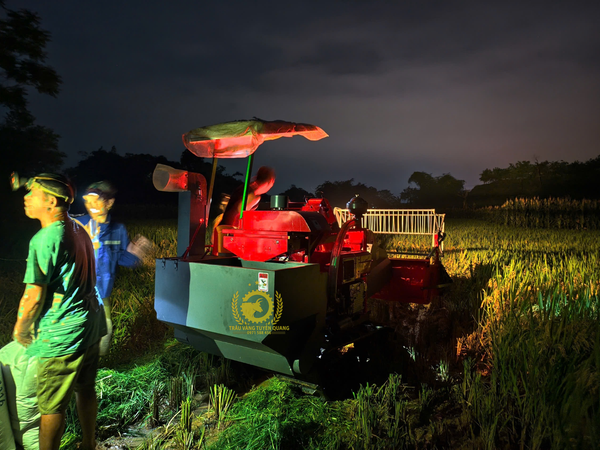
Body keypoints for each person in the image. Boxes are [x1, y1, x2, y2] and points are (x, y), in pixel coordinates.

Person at [12, 173, 106, 450]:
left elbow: (33, 295)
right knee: (85, 388)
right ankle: (89, 443)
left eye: (32, 194)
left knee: (51, 406)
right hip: (90, 324)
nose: (26, 198)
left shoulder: (45, 238)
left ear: (51, 201)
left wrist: (21, 329)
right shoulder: (78, 228)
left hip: (63, 334)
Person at [74, 181, 151, 356]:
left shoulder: (118, 230)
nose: (91, 205)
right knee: (78, 336)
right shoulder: (78, 225)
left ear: (109, 202)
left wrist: (136, 253)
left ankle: (97, 365)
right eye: (87, 201)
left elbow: (123, 260)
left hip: (103, 296)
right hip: (78, 295)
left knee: (104, 335)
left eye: (97, 200)